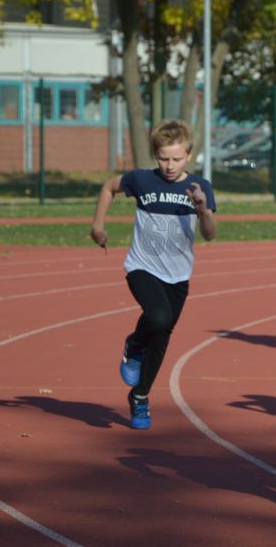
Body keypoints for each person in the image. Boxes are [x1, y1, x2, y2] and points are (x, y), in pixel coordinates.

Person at [90, 120, 216, 430]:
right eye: (163, 158)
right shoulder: (141, 180)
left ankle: (140, 396)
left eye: (177, 159)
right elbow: (109, 187)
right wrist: (97, 225)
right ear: (154, 155)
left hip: (178, 276)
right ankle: (134, 346)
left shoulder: (199, 187)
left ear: (189, 155)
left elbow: (209, 234)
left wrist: (202, 208)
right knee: (158, 317)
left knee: (162, 336)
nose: (170, 166)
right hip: (142, 267)